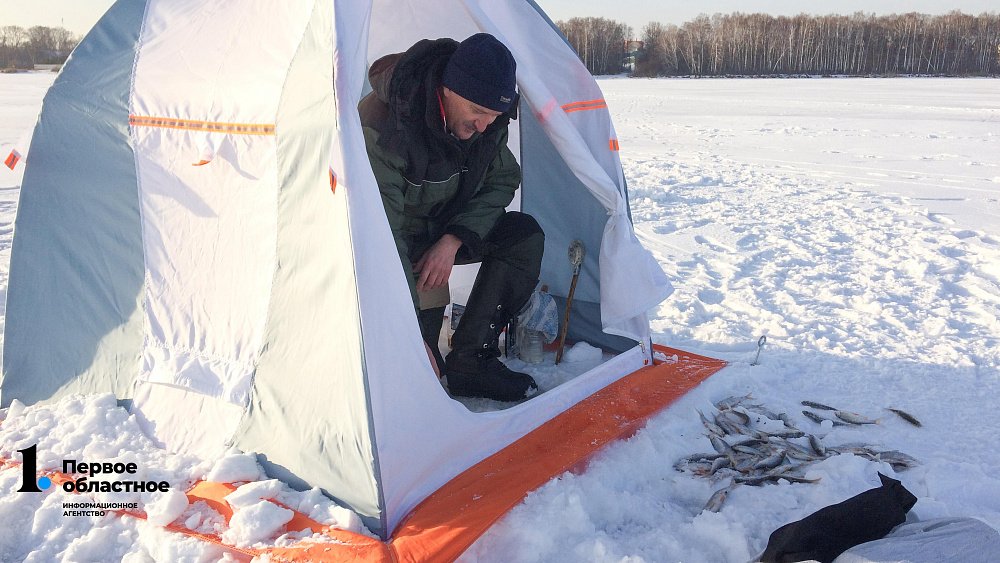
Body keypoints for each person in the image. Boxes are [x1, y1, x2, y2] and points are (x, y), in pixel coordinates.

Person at [359, 33, 544, 402]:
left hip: (442, 233)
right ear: (447, 89)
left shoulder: (485, 124)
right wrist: (409, 338)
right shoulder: (383, 126)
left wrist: (454, 238)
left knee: (521, 235)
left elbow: (503, 178)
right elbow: (380, 235)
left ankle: (471, 359)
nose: (484, 126)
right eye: (477, 112)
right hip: (393, 244)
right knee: (413, 373)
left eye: (494, 116)